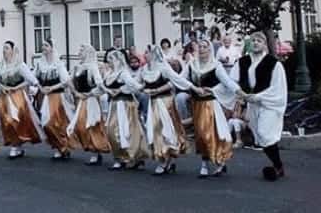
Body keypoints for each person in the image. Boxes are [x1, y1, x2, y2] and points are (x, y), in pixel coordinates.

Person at [229, 31, 288, 181]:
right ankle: (278, 166)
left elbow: (277, 88)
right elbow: (231, 81)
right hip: (252, 105)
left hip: (269, 104)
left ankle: (278, 166)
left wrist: (259, 96)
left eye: (259, 41)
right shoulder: (242, 62)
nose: (255, 43)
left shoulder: (273, 63)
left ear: (265, 45)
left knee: (265, 133)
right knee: (261, 137)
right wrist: (239, 94)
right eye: (253, 40)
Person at [141, 45, 204, 175]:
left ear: (153, 54)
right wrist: (142, 89)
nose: (145, 55)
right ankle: (166, 159)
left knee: (164, 129)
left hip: (165, 102)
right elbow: (136, 84)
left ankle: (165, 160)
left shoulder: (163, 68)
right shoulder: (145, 70)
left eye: (147, 52)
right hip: (153, 103)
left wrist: (194, 88)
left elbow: (176, 80)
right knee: (154, 129)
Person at [184, 39, 238, 178]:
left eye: (205, 47)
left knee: (208, 134)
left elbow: (227, 82)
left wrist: (214, 90)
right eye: (200, 47)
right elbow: (181, 79)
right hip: (196, 104)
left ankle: (212, 162)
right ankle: (211, 163)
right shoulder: (191, 65)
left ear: (209, 50)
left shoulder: (216, 66)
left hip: (210, 105)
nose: (202, 49)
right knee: (201, 135)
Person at [0, 40, 43, 159]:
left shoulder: (19, 64)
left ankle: (16, 145)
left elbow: (31, 79)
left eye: (7, 48)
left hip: (17, 95)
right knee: (6, 121)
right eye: (3, 48)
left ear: (12, 50)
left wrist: (18, 87)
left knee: (14, 120)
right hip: (5, 96)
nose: (4, 51)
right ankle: (16, 145)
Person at [101, 49, 148, 171]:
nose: (109, 62)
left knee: (128, 131)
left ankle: (134, 157)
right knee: (111, 131)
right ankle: (119, 157)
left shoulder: (123, 73)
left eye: (111, 60)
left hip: (126, 105)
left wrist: (141, 87)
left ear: (117, 60)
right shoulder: (110, 74)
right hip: (114, 105)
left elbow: (133, 85)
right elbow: (102, 87)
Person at [68, 45, 110, 165]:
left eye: (81, 51)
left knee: (91, 124)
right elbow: (68, 81)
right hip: (81, 100)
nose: (79, 52)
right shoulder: (78, 67)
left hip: (91, 100)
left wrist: (91, 93)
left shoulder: (93, 67)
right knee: (81, 125)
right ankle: (93, 149)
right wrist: (75, 92)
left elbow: (99, 83)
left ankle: (96, 151)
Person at [34, 39, 73, 160]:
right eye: (43, 45)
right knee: (45, 123)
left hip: (57, 96)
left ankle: (63, 146)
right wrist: (41, 87)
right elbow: (33, 78)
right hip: (45, 96)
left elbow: (66, 81)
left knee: (56, 123)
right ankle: (58, 146)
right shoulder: (40, 63)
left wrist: (52, 87)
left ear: (51, 48)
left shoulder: (58, 63)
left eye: (46, 45)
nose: (43, 47)